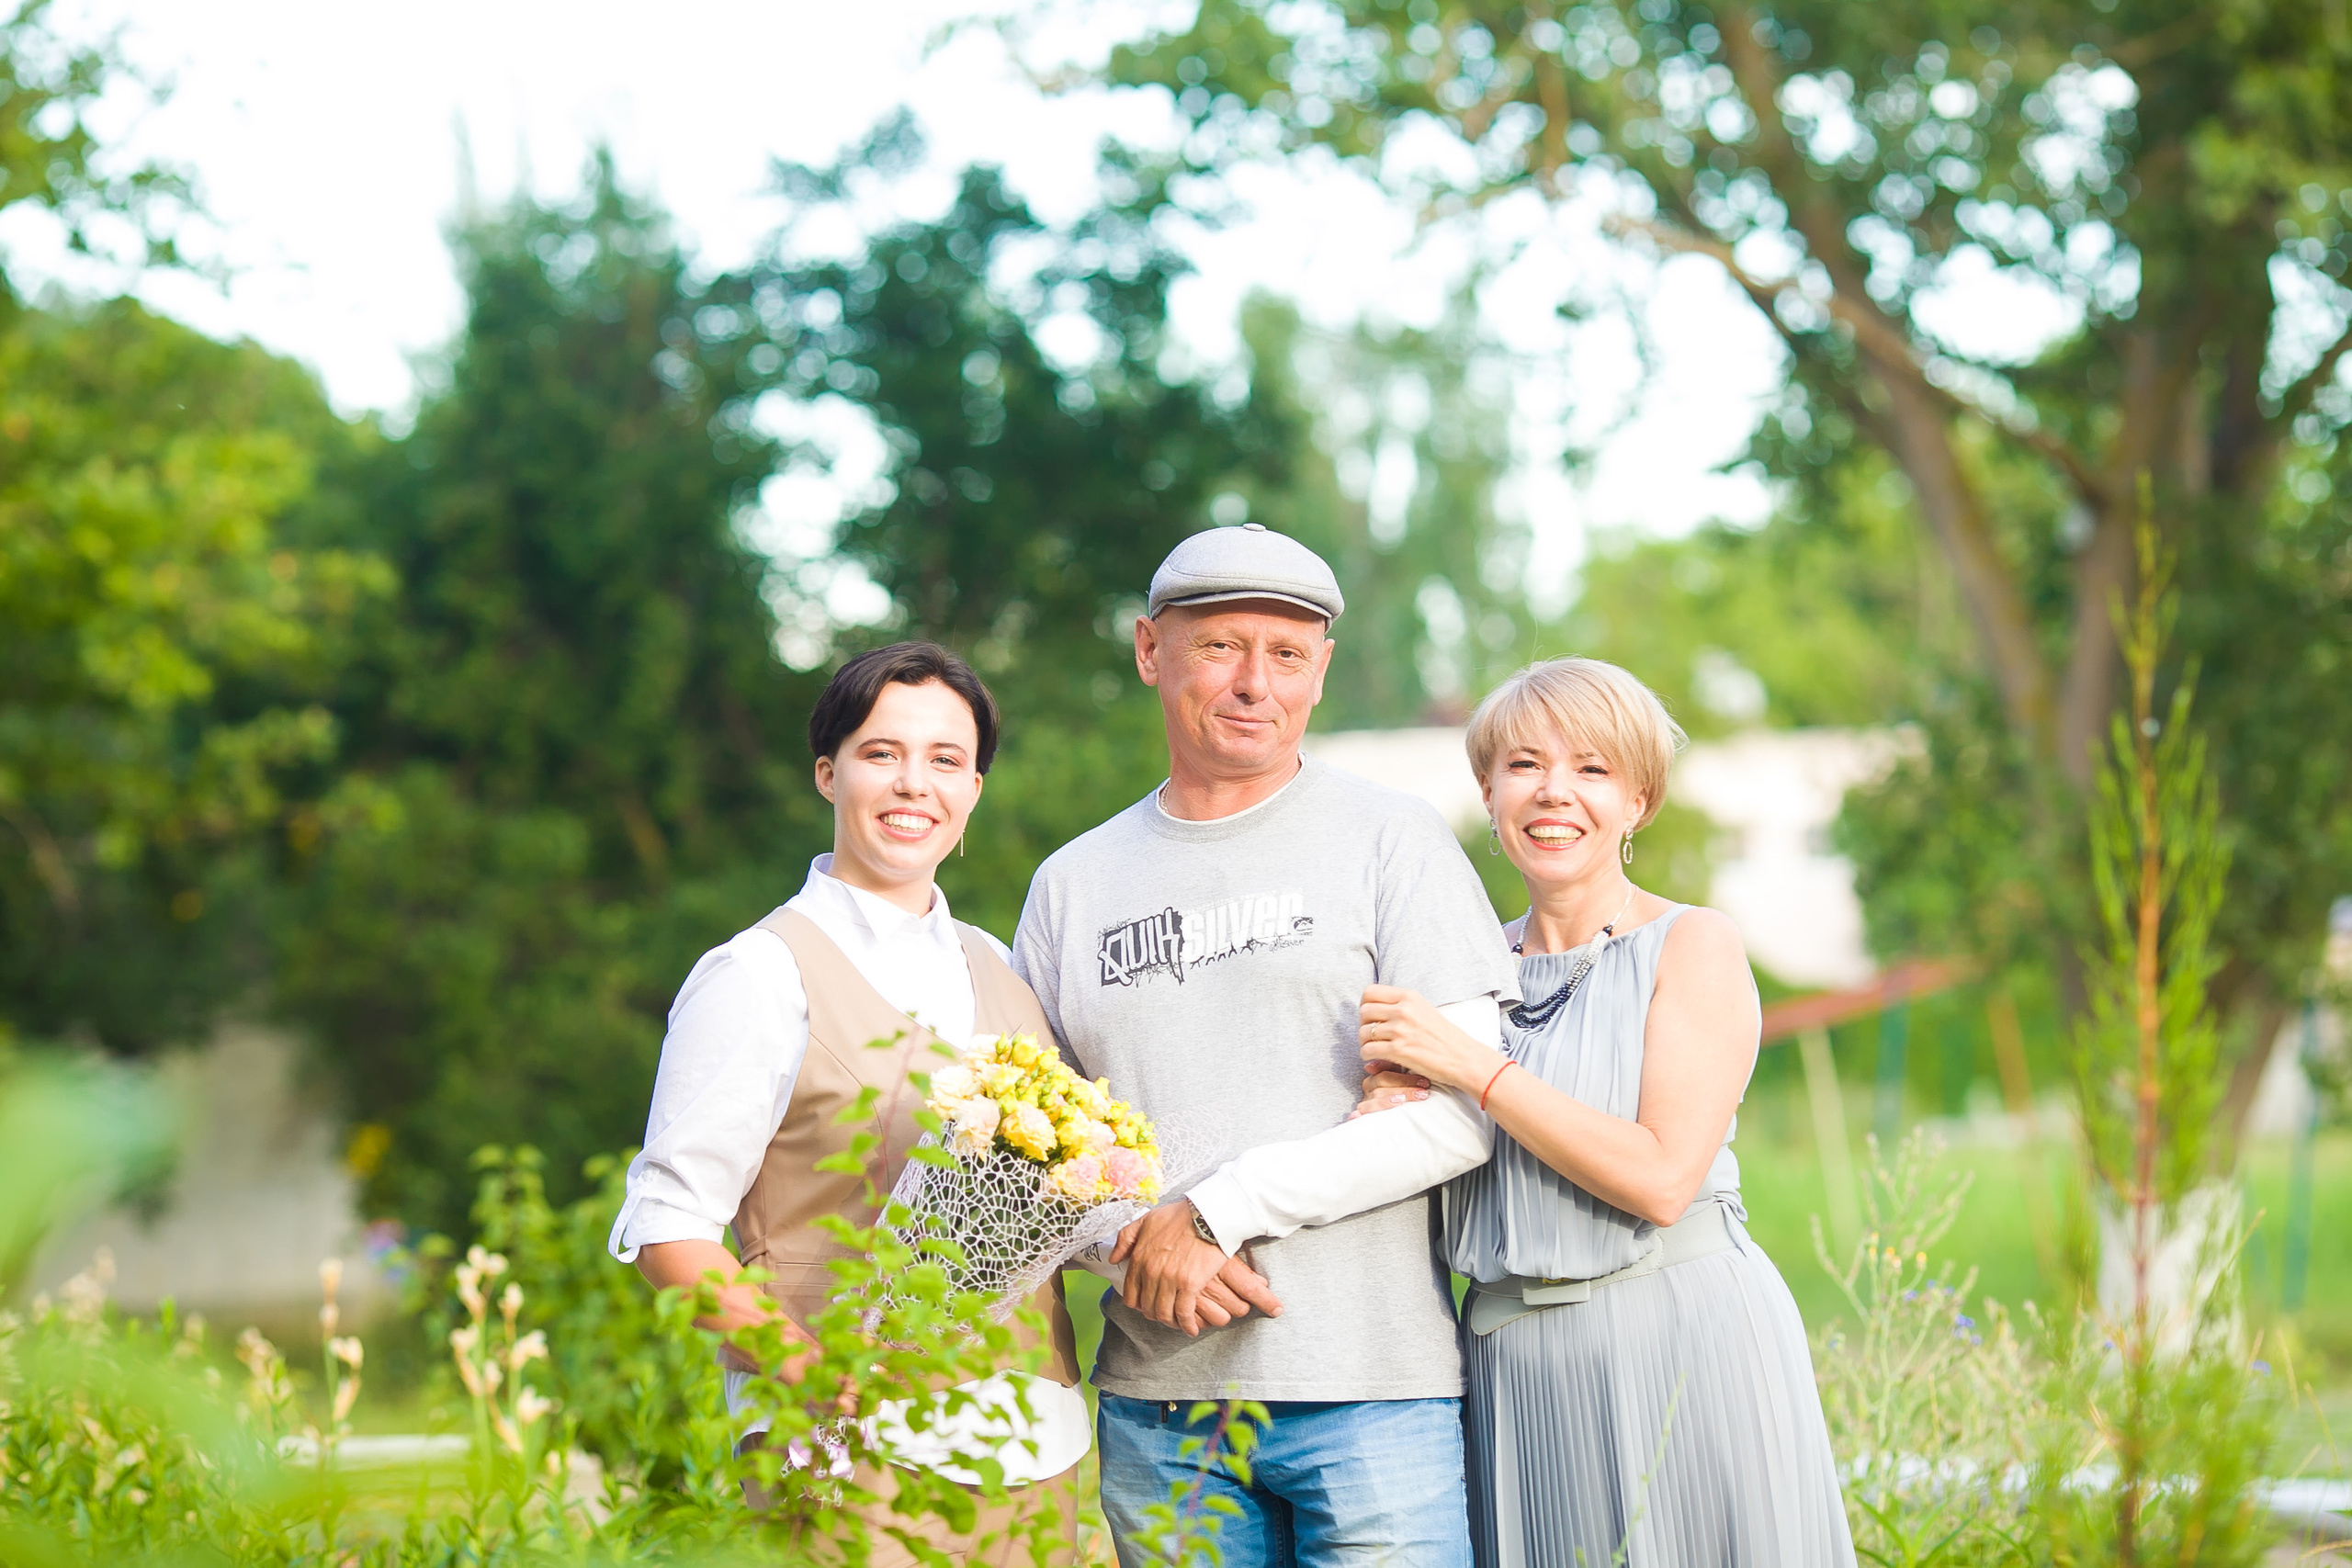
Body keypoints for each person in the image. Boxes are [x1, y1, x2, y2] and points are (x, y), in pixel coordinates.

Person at [1013, 523, 1518, 1568]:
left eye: (1286, 654)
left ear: (1320, 671)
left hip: (1371, 1395)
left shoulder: (1393, 840)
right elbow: (1029, 1141)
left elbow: (1465, 1114)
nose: (1254, 683)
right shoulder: (1072, 884)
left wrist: (1215, 1209)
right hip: (1162, 1409)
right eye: (1219, 647)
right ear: (1150, 650)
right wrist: (1132, 1247)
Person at [1351, 656, 1855, 1568]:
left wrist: (1475, 1069)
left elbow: (1662, 1178)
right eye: (1523, 765)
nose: (1555, 792)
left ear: (1638, 801)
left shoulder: (1693, 945)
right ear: (1488, 791)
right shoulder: (1454, 975)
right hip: (1510, 1372)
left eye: (1592, 768)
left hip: (1684, 1341)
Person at [606, 641, 1091, 1566]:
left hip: (1034, 1450)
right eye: (881, 753)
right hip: (850, 1460)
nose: (914, 784)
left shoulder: (1000, 965)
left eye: (944, 759)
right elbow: (668, 1227)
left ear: (974, 789)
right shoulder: (759, 973)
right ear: (828, 772)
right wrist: (805, 1368)